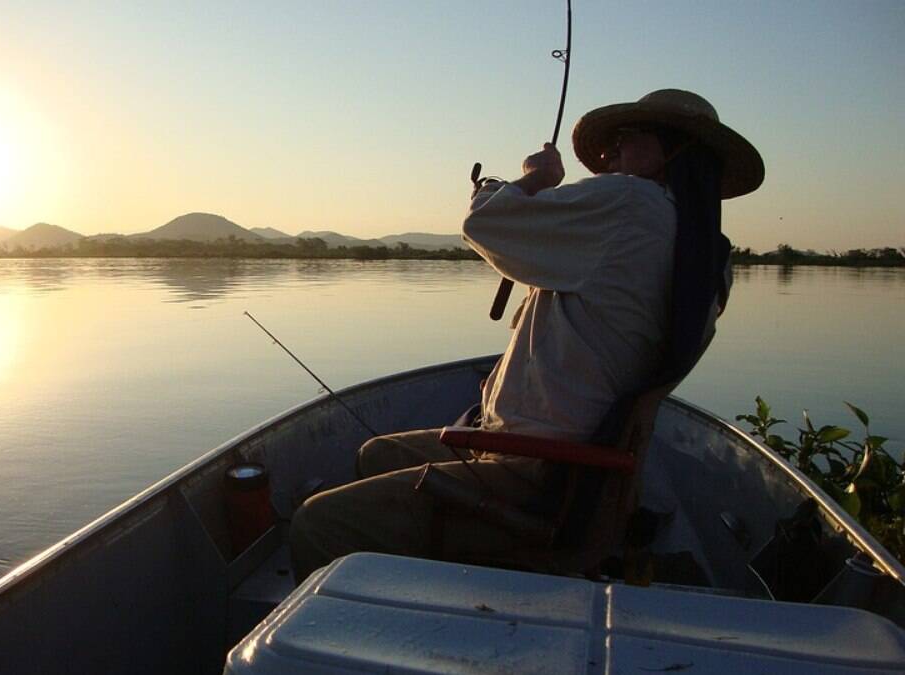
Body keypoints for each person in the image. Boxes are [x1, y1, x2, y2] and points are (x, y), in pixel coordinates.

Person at [289, 89, 765, 581]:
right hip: (585, 477)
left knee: (315, 525)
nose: (609, 153)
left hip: (538, 473)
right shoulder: (709, 255)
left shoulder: (630, 202)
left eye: (628, 136)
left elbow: (487, 223)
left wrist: (535, 179)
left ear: (675, 148)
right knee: (377, 454)